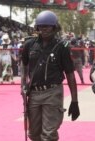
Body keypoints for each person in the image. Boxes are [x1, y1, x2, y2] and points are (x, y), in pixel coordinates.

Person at [20, 10, 80, 141]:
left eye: (47, 26)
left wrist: (74, 101)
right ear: (37, 27)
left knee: (49, 134)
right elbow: (24, 66)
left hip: (53, 92)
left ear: (54, 27)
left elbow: (70, 74)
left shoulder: (62, 46)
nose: (44, 29)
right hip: (34, 93)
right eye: (41, 26)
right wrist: (23, 85)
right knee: (34, 134)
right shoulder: (29, 44)